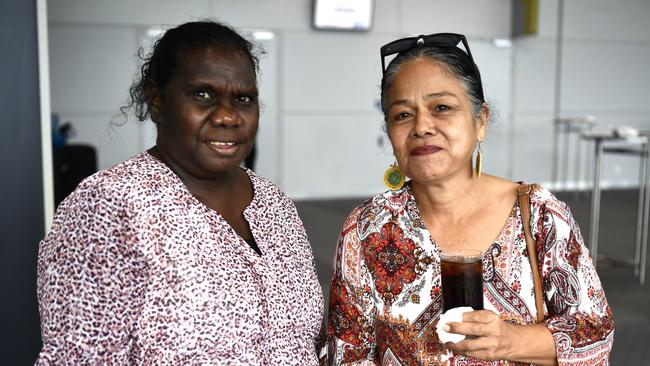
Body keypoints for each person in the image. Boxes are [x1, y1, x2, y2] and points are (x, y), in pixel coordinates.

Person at [36, 21, 324, 364]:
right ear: (156, 102)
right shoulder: (109, 207)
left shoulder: (273, 202)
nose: (228, 116)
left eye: (243, 99)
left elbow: (307, 341)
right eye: (203, 94)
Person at [326, 33, 613, 365]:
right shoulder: (366, 227)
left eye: (442, 108)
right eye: (403, 114)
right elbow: (347, 354)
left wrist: (510, 341)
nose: (421, 127)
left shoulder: (538, 215)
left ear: (481, 121)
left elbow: (595, 333)